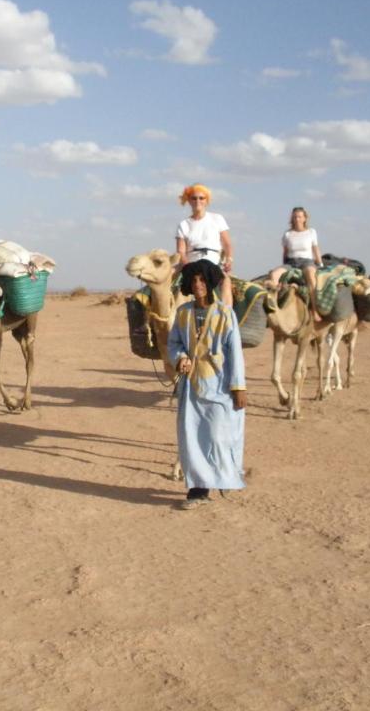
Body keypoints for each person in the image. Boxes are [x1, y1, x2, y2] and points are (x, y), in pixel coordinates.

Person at [168, 260, 247, 510]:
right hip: (192, 387)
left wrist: (238, 386)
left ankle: (225, 478)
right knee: (191, 438)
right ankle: (198, 491)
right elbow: (174, 343)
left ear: (210, 282)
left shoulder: (225, 313)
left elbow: (235, 351)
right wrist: (180, 358)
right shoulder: (183, 313)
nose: (198, 284)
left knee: (218, 436)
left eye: (202, 280)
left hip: (220, 386)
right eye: (193, 280)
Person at [175, 183, 235, 308]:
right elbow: (181, 251)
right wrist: (186, 265)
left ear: (207, 200)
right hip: (191, 263)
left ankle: (226, 313)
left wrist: (229, 259)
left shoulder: (217, 219)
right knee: (164, 280)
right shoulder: (184, 224)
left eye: (201, 198)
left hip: (213, 261)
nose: (198, 201)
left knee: (225, 281)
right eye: (194, 198)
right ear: (189, 201)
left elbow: (227, 244)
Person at [270, 206, 324, 323]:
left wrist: (320, 264)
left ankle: (315, 310)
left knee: (311, 275)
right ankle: (274, 307)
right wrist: (284, 267)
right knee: (274, 274)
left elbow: (315, 249)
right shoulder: (288, 234)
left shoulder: (311, 232)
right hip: (291, 262)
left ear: (304, 218)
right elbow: (285, 252)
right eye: (295, 217)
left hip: (306, 261)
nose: (297, 219)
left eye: (299, 217)